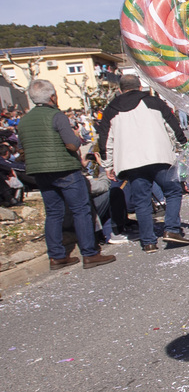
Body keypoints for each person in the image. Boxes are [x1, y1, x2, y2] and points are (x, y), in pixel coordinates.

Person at [16, 80, 115, 270]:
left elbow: (21, 150)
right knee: (81, 210)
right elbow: (72, 144)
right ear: (52, 96)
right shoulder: (56, 116)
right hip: (65, 169)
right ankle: (90, 253)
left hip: (39, 172)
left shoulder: (24, 120)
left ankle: (56, 256)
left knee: (53, 213)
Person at [96, 74, 188, 253]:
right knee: (173, 190)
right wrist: (183, 146)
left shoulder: (111, 109)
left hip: (131, 162)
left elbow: (106, 140)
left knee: (141, 201)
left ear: (120, 90)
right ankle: (172, 229)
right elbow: (172, 126)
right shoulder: (154, 102)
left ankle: (148, 242)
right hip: (158, 155)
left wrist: (108, 165)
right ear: (140, 87)